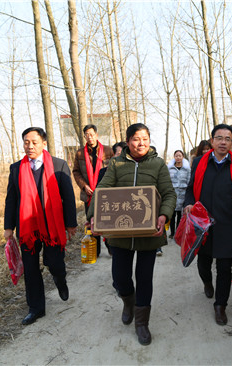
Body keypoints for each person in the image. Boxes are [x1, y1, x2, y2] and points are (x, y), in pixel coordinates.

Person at [87, 123, 176, 346]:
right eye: (136, 138)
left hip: (149, 233)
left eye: (145, 138)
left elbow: (169, 194)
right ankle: (128, 301)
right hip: (121, 232)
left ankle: (142, 323)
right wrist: (93, 216)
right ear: (128, 142)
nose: (141, 143)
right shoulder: (116, 163)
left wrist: (164, 215)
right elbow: (102, 190)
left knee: (145, 278)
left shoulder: (158, 164)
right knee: (120, 277)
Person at [4, 127, 78, 326]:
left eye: (34, 142)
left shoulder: (58, 165)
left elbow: (68, 197)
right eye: (26, 142)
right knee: (30, 268)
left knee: (54, 262)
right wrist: (8, 227)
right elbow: (11, 199)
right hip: (27, 227)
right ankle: (36, 308)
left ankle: (59, 279)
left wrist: (71, 224)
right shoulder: (16, 168)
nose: (30, 146)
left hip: (52, 226)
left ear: (44, 143)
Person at [183, 124, 232, 326]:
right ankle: (206, 282)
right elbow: (190, 188)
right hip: (203, 224)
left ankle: (220, 305)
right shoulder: (199, 164)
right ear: (212, 141)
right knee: (203, 262)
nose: (223, 142)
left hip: (227, 223)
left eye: (227, 138)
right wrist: (188, 203)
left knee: (225, 267)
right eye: (219, 138)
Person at [72, 124, 114, 256]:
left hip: (105, 193)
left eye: (91, 134)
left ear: (96, 134)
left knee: (108, 221)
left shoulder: (108, 151)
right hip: (88, 194)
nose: (89, 137)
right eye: (86, 135)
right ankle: (95, 251)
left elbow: (113, 170)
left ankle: (111, 248)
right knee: (92, 222)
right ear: (84, 136)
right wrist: (84, 186)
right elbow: (76, 172)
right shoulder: (80, 153)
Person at [167, 150, 191, 243]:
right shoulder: (170, 168)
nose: (178, 157)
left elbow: (189, 181)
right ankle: (172, 233)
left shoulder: (187, 169)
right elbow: (168, 181)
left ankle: (178, 233)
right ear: (174, 157)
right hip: (173, 193)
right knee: (172, 215)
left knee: (180, 215)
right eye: (176, 156)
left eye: (180, 156)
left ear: (183, 157)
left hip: (183, 193)